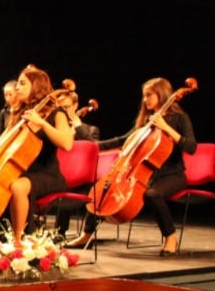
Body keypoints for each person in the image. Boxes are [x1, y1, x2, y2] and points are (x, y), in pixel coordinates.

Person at [67, 77, 197, 256]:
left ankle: (170, 238)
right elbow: (122, 140)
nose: (145, 100)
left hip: (172, 175)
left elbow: (191, 147)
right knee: (102, 188)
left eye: (149, 95)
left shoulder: (179, 118)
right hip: (143, 174)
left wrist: (166, 128)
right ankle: (86, 235)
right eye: (144, 96)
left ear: (162, 94)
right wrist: (93, 146)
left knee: (153, 194)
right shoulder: (147, 121)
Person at [0, 64, 74, 245]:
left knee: (18, 187)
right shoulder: (20, 113)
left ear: (36, 87)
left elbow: (66, 143)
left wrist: (42, 124)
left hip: (47, 174)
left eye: (22, 83)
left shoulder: (55, 112)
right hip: (23, 171)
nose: (17, 87)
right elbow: (2, 141)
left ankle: (19, 241)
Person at [54, 90, 99, 236]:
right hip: (58, 176)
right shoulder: (54, 129)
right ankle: (54, 233)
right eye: (60, 109)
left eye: (66, 107)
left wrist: (78, 128)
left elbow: (94, 148)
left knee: (96, 188)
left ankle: (85, 235)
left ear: (76, 105)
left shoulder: (91, 130)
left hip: (81, 182)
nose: (63, 113)